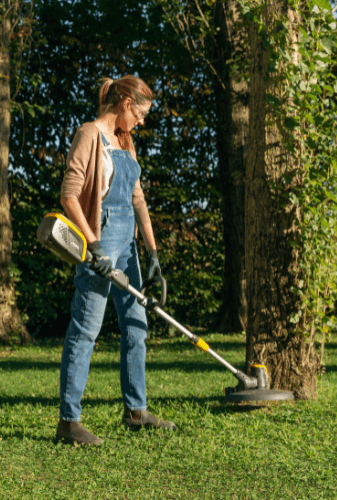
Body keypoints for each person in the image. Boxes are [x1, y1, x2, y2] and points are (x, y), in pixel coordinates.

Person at [55, 75, 175, 446]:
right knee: (86, 329)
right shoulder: (89, 134)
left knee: (136, 325)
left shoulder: (126, 141)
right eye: (140, 112)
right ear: (125, 104)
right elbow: (69, 195)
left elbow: (137, 199)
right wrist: (93, 246)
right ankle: (68, 422)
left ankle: (135, 411)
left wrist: (152, 252)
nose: (142, 120)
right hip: (100, 239)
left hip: (128, 246)